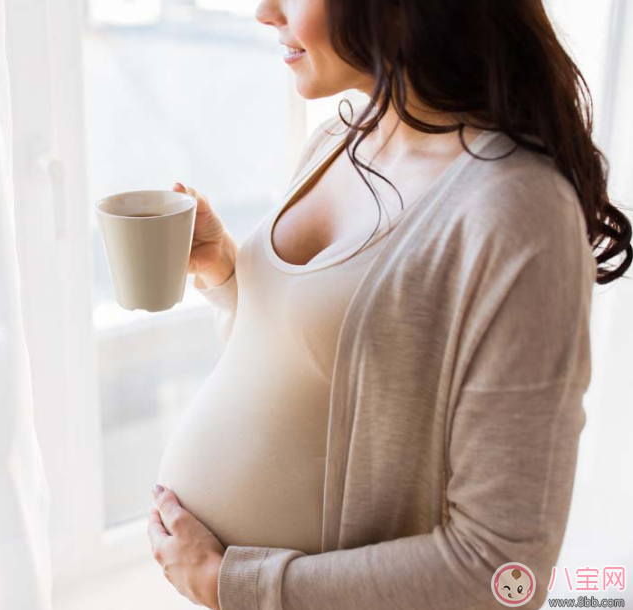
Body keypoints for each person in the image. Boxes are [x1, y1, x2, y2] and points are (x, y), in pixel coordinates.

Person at [146, 1, 631, 609]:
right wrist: (227, 272)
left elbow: (503, 569)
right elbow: (324, 371)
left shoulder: (518, 211)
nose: (265, 12)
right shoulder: (340, 138)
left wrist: (234, 584)